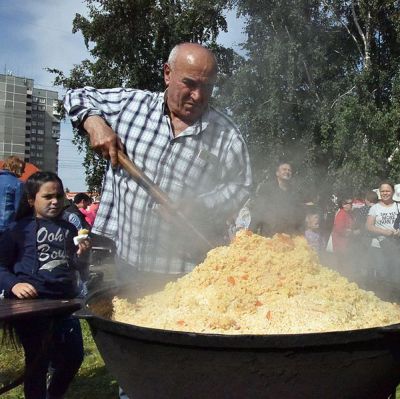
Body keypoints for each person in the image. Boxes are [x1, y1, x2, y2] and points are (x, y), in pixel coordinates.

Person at [64, 43, 252, 286]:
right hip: (125, 259)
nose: (198, 95)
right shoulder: (130, 105)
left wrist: (201, 205)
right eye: (190, 83)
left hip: (186, 269)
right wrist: (93, 123)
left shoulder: (227, 135)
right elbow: (75, 95)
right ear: (167, 74)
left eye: (207, 87)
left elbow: (241, 185)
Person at [0, 172, 91, 399]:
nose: (55, 201)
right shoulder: (17, 230)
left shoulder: (70, 230)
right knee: (37, 363)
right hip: (32, 306)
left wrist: (83, 256)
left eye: (59, 196)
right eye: (48, 196)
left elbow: (79, 268)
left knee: (73, 357)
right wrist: (13, 285)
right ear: (31, 200)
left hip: (64, 305)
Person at [249, 162, 304, 236]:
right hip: (269, 236)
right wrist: (251, 232)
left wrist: (300, 234)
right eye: (284, 169)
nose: (287, 172)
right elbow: (258, 210)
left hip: (287, 237)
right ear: (277, 173)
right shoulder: (267, 189)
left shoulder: (294, 193)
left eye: (289, 170)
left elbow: (298, 216)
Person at [0, 155, 25, 234]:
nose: (23, 172)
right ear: (17, 168)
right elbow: (19, 209)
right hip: (6, 226)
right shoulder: (18, 184)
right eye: (23, 169)